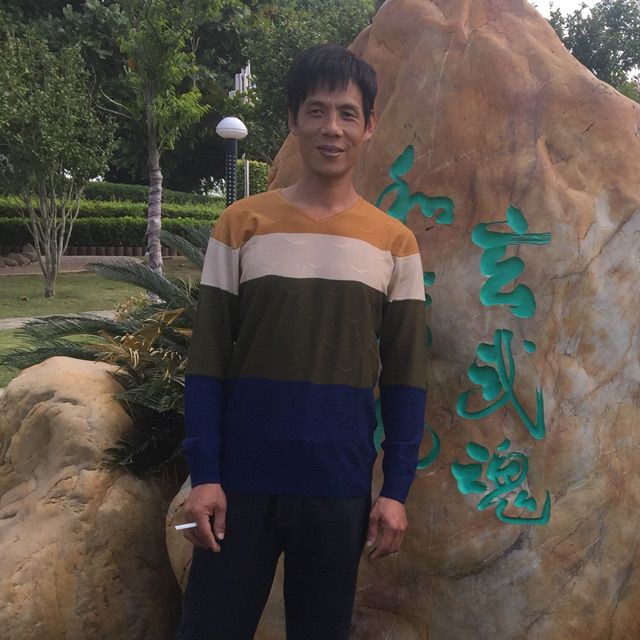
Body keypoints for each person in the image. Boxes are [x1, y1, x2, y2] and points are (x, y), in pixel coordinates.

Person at [176, 43, 428, 640]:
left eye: (347, 114)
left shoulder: (394, 244)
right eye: (316, 111)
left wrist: (395, 490)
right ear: (293, 119)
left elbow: (405, 378)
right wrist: (204, 474)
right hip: (239, 482)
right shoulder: (241, 225)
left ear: (369, 126)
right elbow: (207, 360)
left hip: (337, 487)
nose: (331, 128)